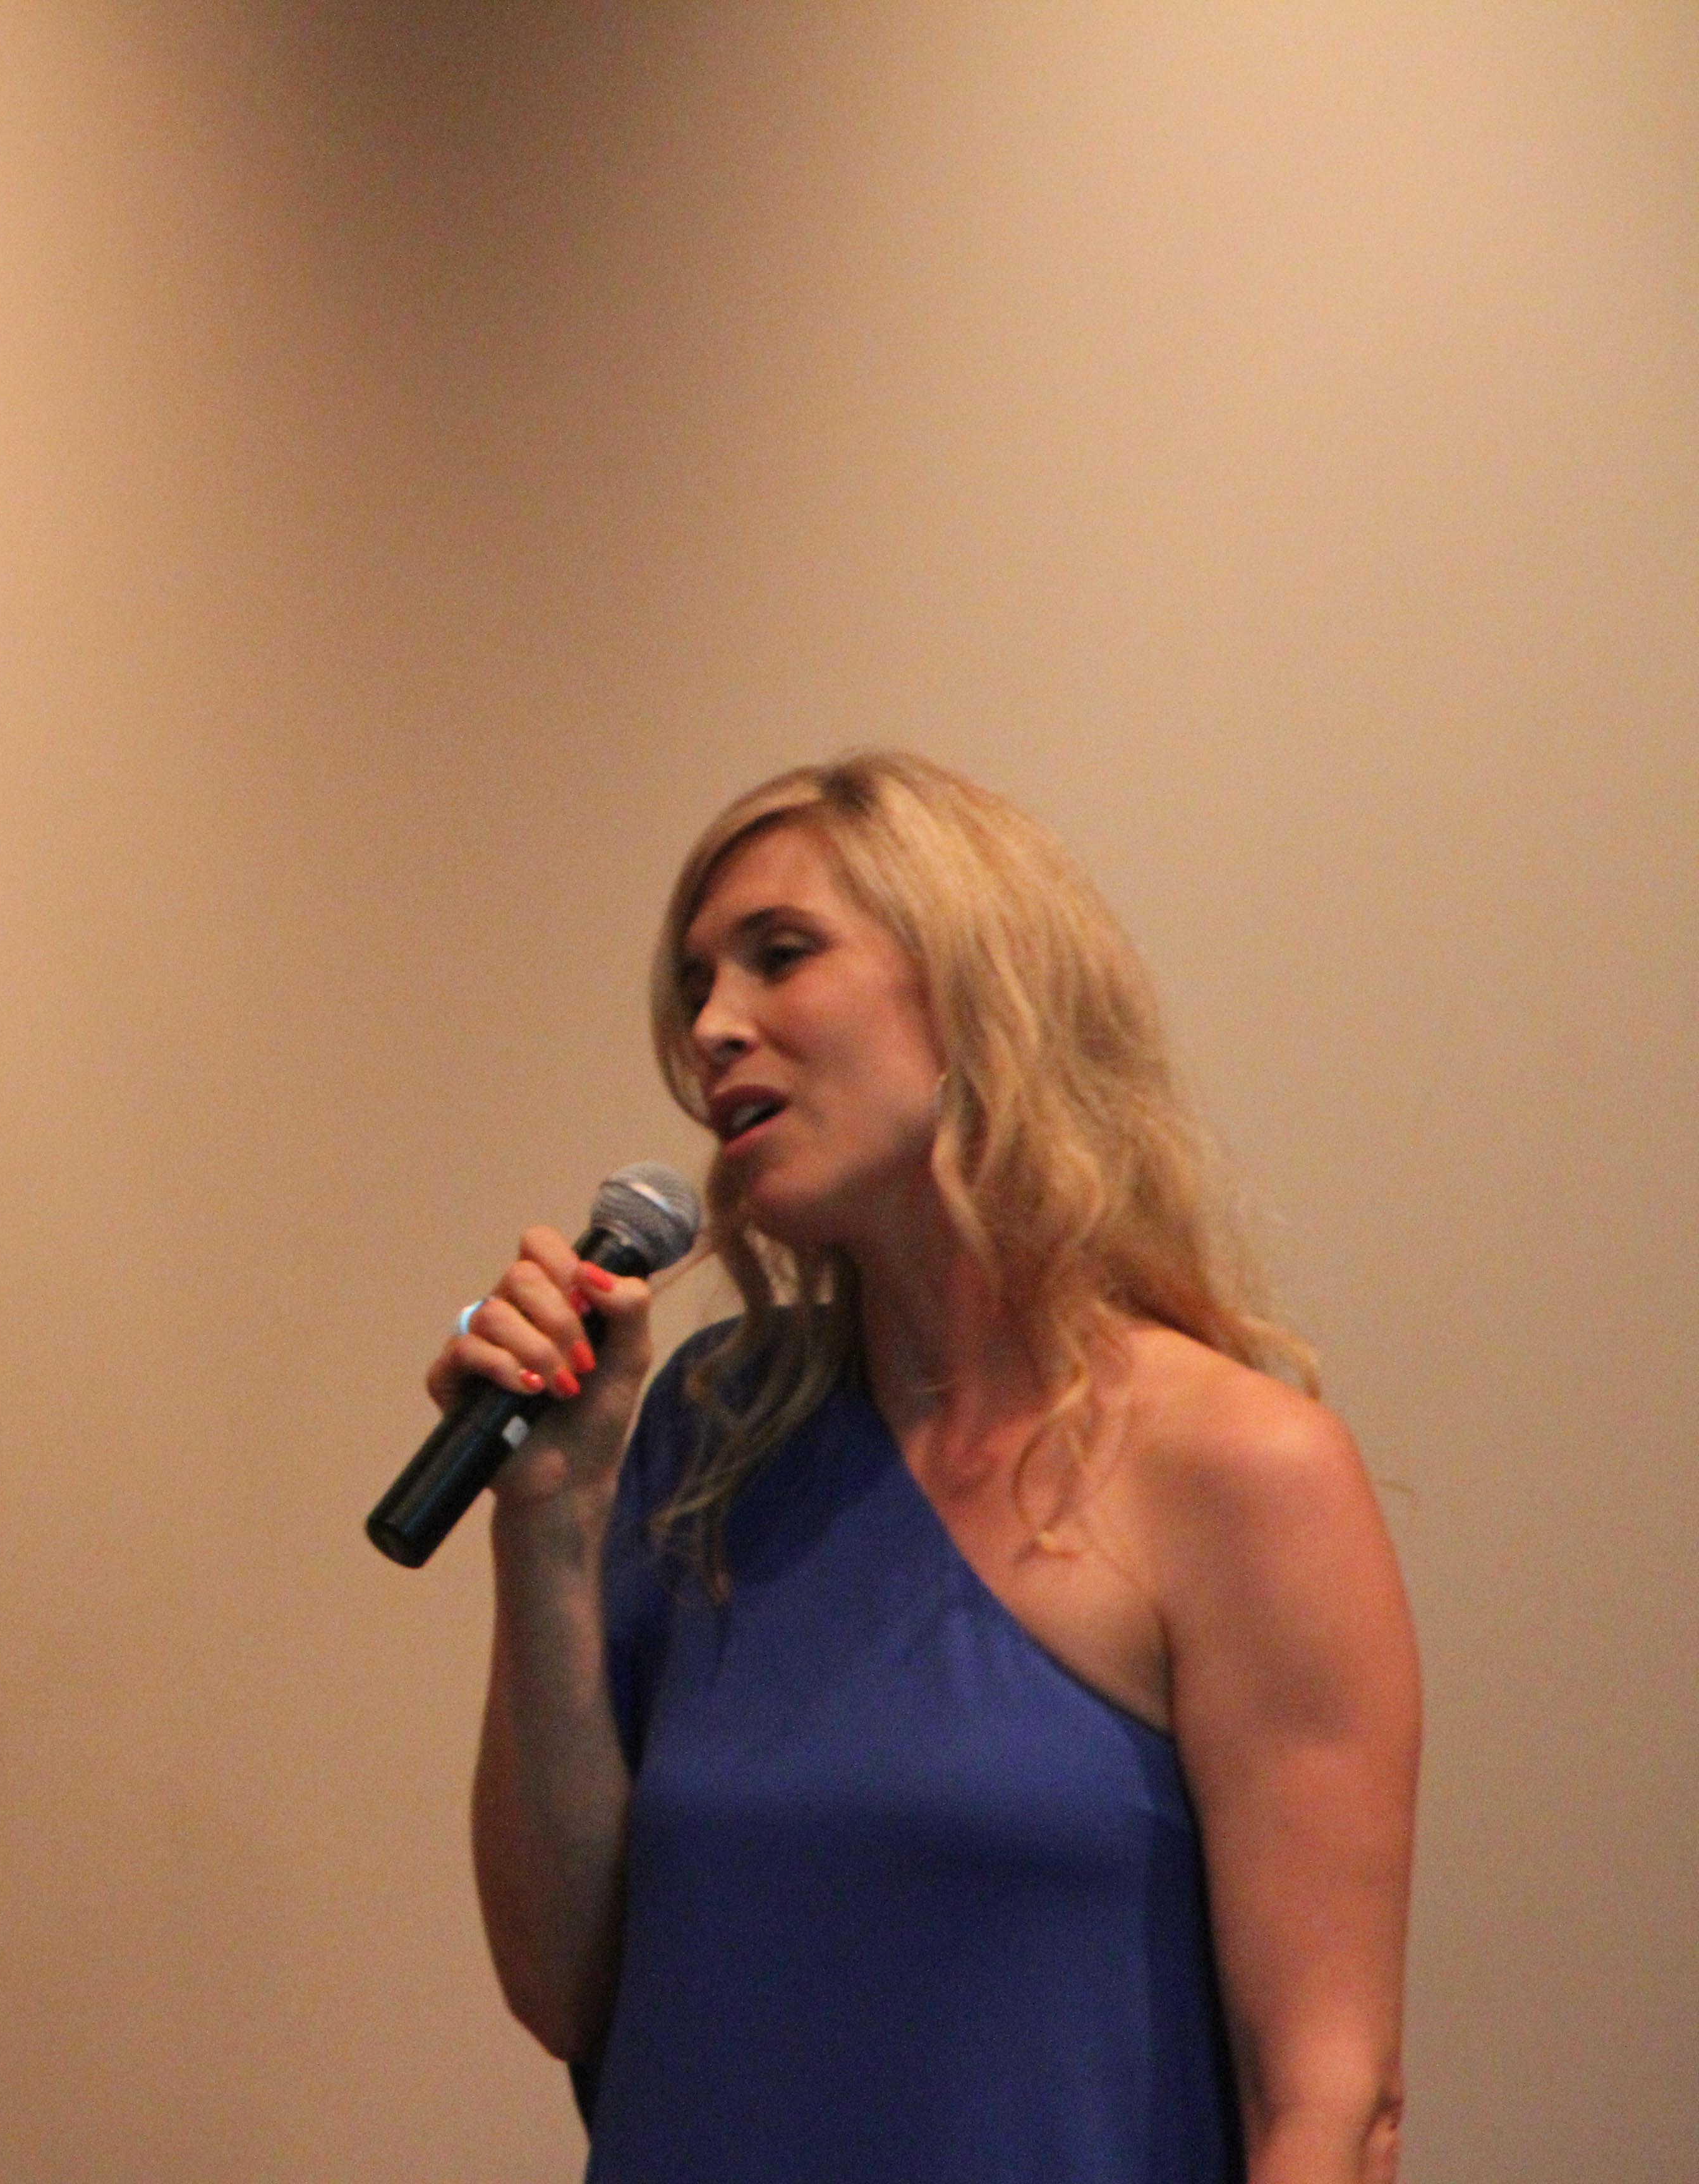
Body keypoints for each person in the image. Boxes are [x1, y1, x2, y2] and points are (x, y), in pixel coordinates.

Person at [436, 752, 1417, 2184]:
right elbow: (562, 1989)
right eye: (696, 987)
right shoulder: (712, 1429)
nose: (712, 1028)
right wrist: (548, 1519)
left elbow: (1330, 2102)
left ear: (975, 988)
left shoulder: (1239, 1468)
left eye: (781, 955)